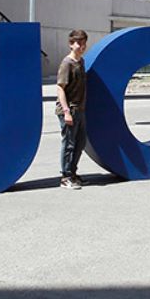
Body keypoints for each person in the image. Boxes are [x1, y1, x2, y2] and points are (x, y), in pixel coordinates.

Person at [55, 30, 88, 190]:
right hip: (69, 110)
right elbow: (60, 88)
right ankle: (65, 177)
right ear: (71, 44)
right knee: (69, 143)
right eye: (78, 43)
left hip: (80, 109)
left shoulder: (81, 62)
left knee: (80, 142)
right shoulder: (67, 63)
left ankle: (73, 173)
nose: (82, 46)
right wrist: (66, 111)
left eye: (84, 43)